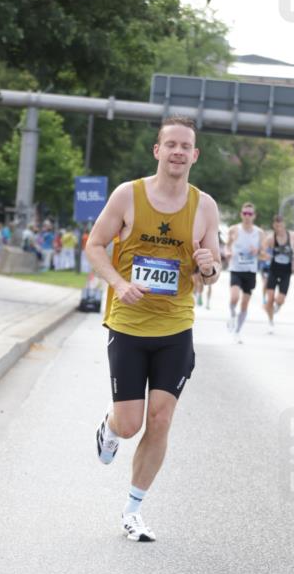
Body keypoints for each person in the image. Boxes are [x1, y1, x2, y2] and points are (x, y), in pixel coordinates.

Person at [86, 116, 221, 542]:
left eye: (187, 146)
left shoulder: (205, 206)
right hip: (128, 324)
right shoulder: (129, 195)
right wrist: (119, 284)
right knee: (130, 424)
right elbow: (94, 245)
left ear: (195, 156)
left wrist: (209, 267)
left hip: (175, 326)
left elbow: (213, 268)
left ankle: (133, 510)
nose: (179, 152)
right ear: (157, 151)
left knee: (160, 420)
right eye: (172, 144)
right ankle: (109, 429)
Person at [226, 202, 264, 343]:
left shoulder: (259, 233)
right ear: (241, 215)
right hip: (236, 269)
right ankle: (231, 315)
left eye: (250, 214)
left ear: (254, 216)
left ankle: (237, 332)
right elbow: (227, 247)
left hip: (250, 271)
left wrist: (258, 251)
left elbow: (264, 253)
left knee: (244, 304)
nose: (247, 216)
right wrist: (228, 252)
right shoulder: (234, 229)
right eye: (245, 213)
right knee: (234, 297)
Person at [262, 214, 294, 333]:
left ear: (284, 224)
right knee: (270, 298)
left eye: (280, 225)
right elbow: (261, 251)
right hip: (274, 270)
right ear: (274, 226)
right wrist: (266, 255)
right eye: (276, 226)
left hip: (286, 272)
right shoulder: (271, 238)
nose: (278, 228)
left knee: (280, 300)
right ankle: (270, 322)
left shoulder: (293, 237)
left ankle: (276, 307)